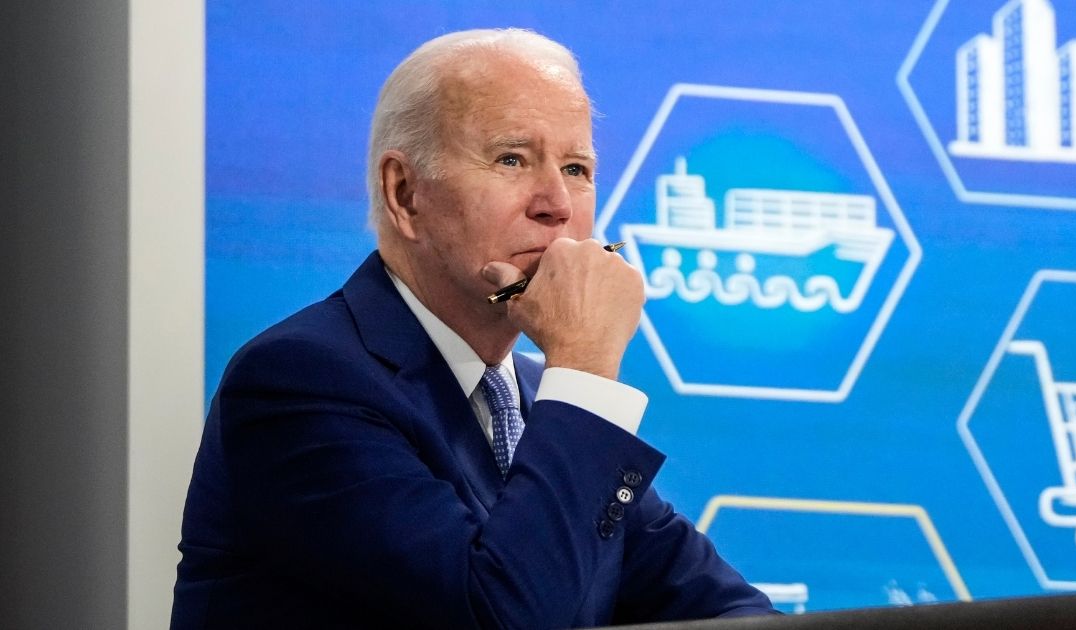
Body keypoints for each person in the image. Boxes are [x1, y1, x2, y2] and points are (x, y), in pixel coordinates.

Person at [172, 28, 776, 629]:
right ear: (405, 194)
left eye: (577, 167)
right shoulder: (301, 382)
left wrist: (574, 377)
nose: (558, 204)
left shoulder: (542, 398)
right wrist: (587, 361)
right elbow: (502, 619)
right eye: (512, 159)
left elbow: (729, 613)